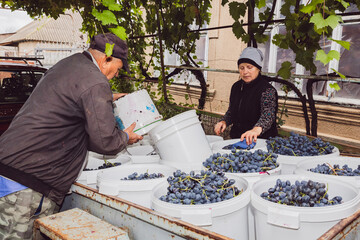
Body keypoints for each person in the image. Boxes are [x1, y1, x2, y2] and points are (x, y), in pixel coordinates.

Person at [0, 33, 143, 240]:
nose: (116, 75)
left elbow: (68, 96)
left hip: (10, 167)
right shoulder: (95, 82)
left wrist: (107, 98)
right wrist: (124, 137)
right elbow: (105, 141)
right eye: (118, 69)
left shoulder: (68, 64)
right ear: (106, 59)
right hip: (27, 184)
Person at [214, 47, 278, 144]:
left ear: (258, 68)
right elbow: (232, 111)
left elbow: (268, 116)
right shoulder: (236, 87)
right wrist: (224, 121)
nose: (245, 72)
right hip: (238, 139)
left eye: (249, 67)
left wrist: (256, 130)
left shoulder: (267, 90)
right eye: (241, 68)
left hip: (260, 142)